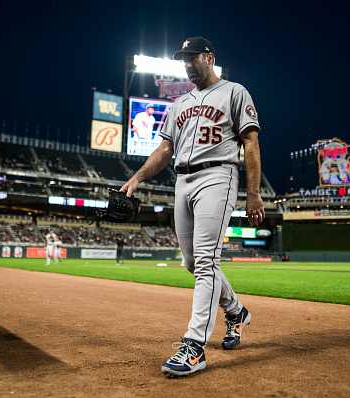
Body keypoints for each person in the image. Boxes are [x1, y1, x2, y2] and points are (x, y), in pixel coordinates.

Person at [121, 36, 264, 377]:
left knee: (205, 262)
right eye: (183, 58)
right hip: (181, 181)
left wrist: (254, 192)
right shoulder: (179, 103)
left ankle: (194, 346)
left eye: (192, 57)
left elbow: (251, 142)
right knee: (191, 261)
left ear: (209, 57)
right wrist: (138, 177)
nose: (186, 63)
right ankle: (237, 311)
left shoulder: (234, 91)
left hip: (219, 176)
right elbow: (164, 150)